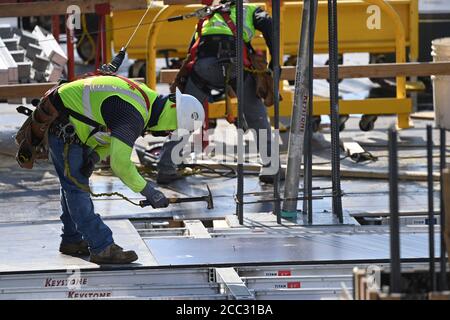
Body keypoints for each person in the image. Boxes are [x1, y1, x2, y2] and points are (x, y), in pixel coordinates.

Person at [35, 75, 204, 264]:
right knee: (76, 187)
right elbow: (120, 164)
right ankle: (102, 247)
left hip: (71, 122)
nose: (170, 133)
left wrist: (94, 157)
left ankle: (72, 240)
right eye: (175, 128)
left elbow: (113, 134)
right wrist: (149, 192)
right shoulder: (135, 115)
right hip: (63, 125)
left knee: (72, 185)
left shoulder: (145, 101)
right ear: (173, 109)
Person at [157, 0, 280, 184]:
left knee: (185, 117)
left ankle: (166, 166)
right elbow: (270, 25)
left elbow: (193, 48)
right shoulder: (250, 9)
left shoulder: (208, 14)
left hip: (203, 67)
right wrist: (275, 61)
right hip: (235, 63)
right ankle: (271, 168)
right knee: (256, 116)